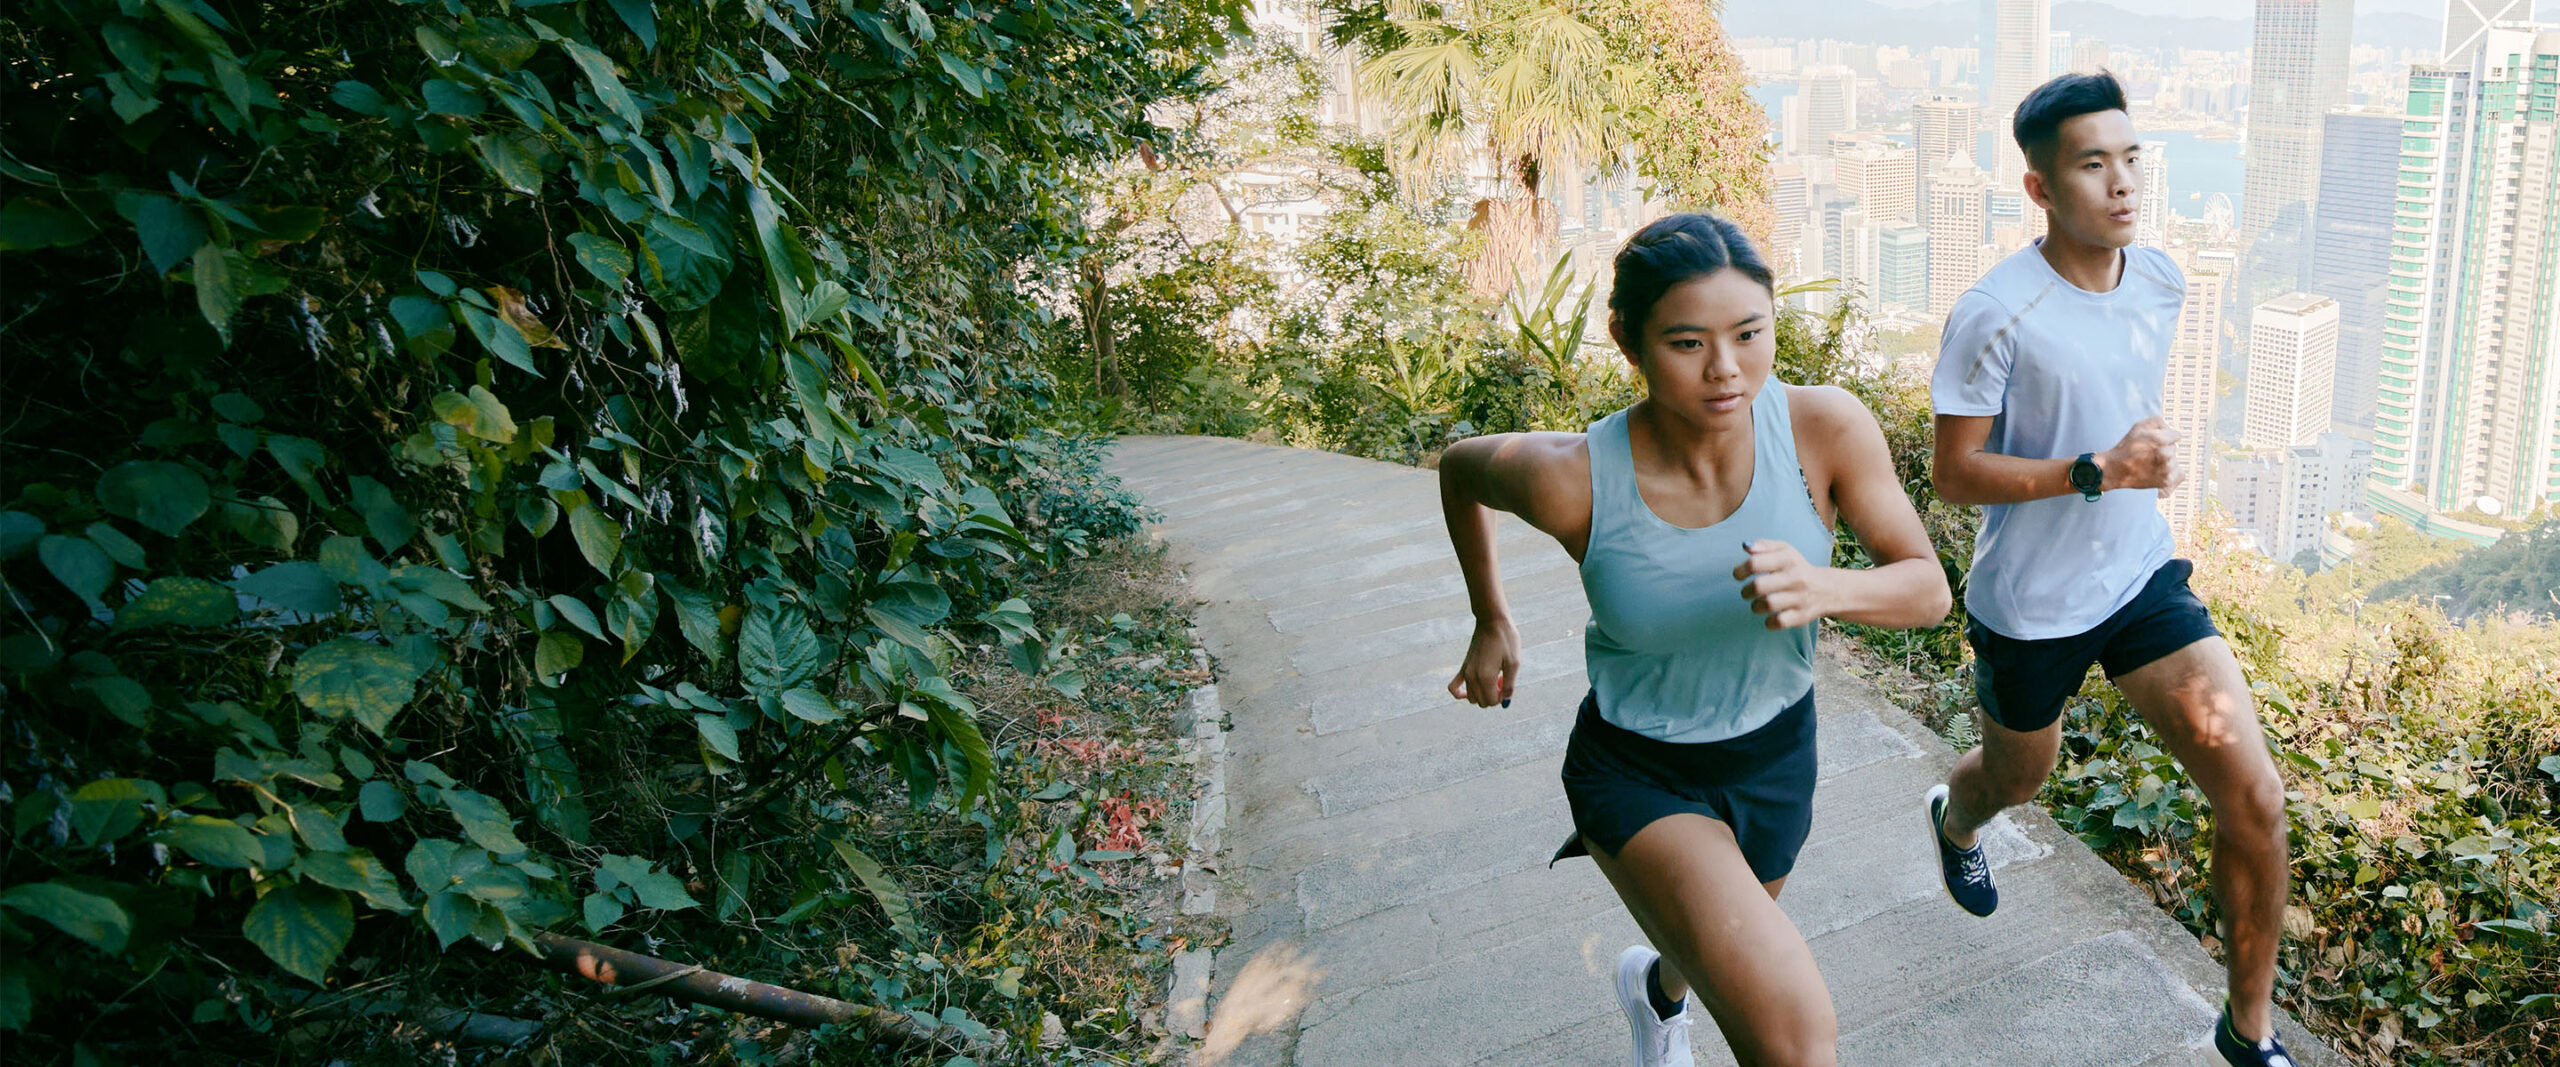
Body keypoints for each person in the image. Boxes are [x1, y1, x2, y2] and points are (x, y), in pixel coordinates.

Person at [1437, 212, 1951, 1067]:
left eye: (1750, 334)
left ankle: (1654, 991)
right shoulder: (1574, 478)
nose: (1726, 369)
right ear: (1630, 343)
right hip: (1639, 770)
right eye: (1687, 343)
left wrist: (1825, 587)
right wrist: (1490, 616)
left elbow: (1928, 588)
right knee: (1793, 1034)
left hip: (1776, 755)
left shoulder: (1823, 428)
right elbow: (1461, 468)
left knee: (1707, 954)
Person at [1922, 71, 2296, 1067]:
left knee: (2254, 796)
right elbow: (1953, 472)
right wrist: (2096, 469)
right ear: (2042, 189)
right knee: (2017, 776)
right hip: (2030, 605)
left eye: (2132, 157)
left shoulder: (2163, 278)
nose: (2123, 181)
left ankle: (2247, 1029)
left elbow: (2124, 400)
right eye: (2093, 163)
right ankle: (1954, 820)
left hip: (2138, 579)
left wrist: (2135, 480)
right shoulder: (1995, 310)